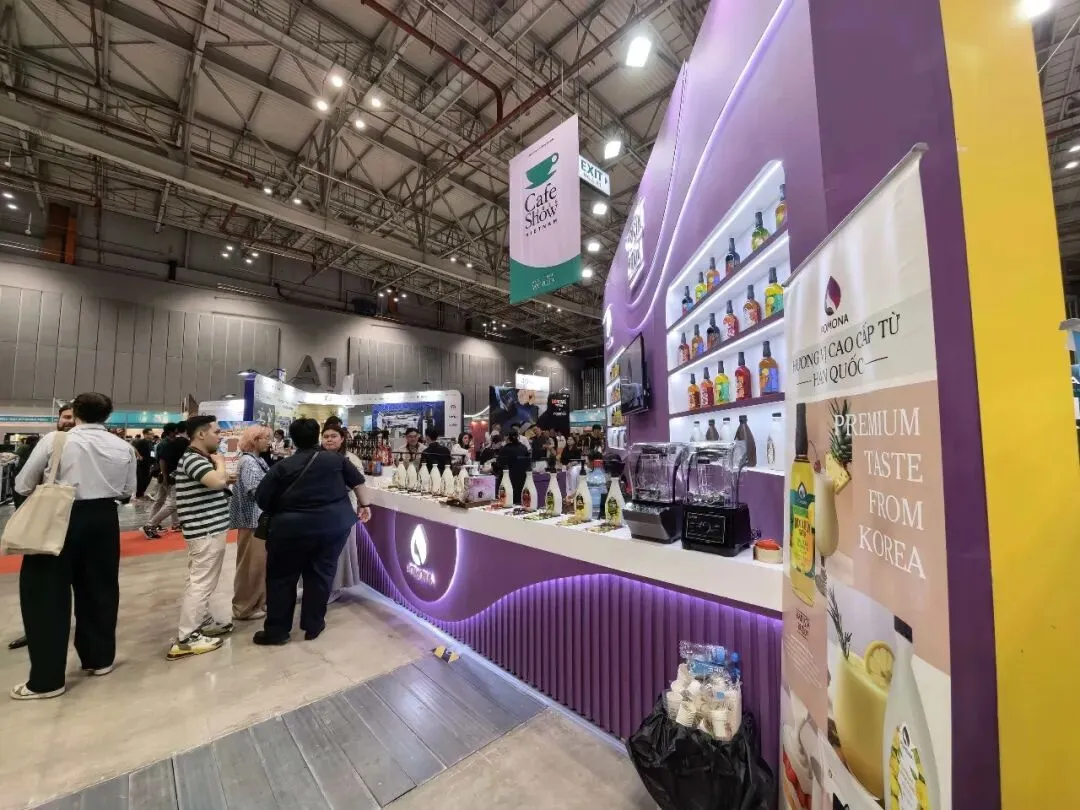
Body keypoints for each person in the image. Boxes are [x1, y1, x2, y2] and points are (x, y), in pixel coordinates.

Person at [10, 393, 136, 699]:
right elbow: (127, 491)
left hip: (59, 516)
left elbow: (23, 484)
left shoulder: (56, 440)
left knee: (45, 595)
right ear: (108, 415)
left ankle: (47, 680)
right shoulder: (123, 446)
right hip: (104, 520)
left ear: (75, 412)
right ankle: (99, 659)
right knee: (100, 590)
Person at [254, 418, 369, 645]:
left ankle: (277, 631)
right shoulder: (337, 460)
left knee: (281, 579)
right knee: (321, 575)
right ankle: (313, 626)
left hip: (289, 530)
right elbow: (358, 483)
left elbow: (262, 498)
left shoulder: (283, 466)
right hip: (332, 528)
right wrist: (365, 506)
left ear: (293, 439)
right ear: (317, 435)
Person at [7, 403, 75, 652]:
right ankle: (40, 630)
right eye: (65, 416)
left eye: (73, 417)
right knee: (46, 582)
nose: (69, 421)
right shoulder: (51, 442)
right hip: (56, 517)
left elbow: (23, 484)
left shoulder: (59, 441)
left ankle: (43, 631)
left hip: (64, 517)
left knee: (45, 580)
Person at [166, 415, 235, 661]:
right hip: (205, 531)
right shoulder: (194, 458)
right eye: (217, 431)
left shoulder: (198, 458)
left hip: (209, 529)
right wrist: (221, 463)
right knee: (201, 582)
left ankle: (202, 621)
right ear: (201, 434)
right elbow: (217, 482)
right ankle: (187, 638)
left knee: (202, 580)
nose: (220, 436)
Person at [320, 424, 366, 603]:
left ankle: (335, 588)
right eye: (326, 436)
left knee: (339, 552)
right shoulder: (317, 456)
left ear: (342, 439)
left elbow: (358, 485)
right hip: (321, 512)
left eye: (333, 436)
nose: (329, 440)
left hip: (343, 511)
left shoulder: (351, 459)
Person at [230, 425, 271, 622]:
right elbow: (255, 490)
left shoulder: (256, 460)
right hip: (252, 520)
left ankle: (257, 602)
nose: (269, 442)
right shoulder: (249, 462)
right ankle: (244, 607)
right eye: (265, 438)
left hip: (258, 520)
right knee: (250, 566)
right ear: (255, 440)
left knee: (258, 565)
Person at [143, 422, 188, 539]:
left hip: (168, 475)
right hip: (170, 476)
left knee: (165, 501)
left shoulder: (171, 442)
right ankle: (150, 525)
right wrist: (164, 476)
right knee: (171, 503)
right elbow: (162, 460)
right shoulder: (169, 443)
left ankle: (175, 524)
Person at [492, 428, 531, 503]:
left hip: (508, 482)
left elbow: (498, 466)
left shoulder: (505, 449)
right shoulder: (524, 448)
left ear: (508, 437)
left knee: (507, 503)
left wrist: (493, 465)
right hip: (522, 481)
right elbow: (528, 463)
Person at [131, 428, 155, 500]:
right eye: (150, 434)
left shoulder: (150, 442)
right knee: (141, 480)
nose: (152, 435)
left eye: (152, 434)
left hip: (149, 463)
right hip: (142, 463)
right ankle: (139, 495)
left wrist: (153, 460)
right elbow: (133, 447)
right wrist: (139, 456)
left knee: (147, 479)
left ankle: (142, 493)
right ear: (145, 434)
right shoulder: (141, 442)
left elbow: (152, 452)